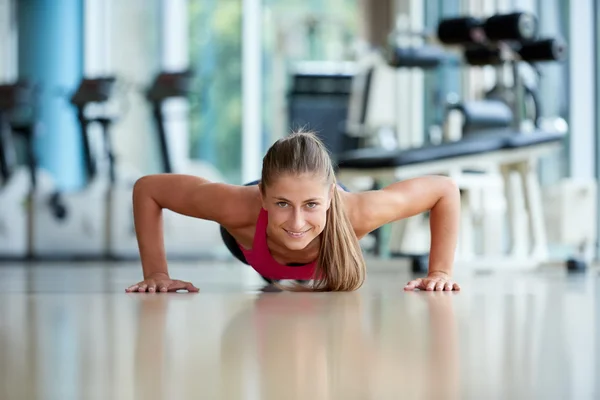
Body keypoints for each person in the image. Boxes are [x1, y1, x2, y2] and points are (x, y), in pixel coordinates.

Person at [125, 131, 461, 293]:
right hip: (248, 242)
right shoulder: (235, 205)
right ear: (263, 196)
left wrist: (441, 272)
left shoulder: (358, 211)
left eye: (311, 205)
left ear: (331, 197)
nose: (297, 222)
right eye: (283, 204)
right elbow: (148, 189)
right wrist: (157, 274)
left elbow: (444, 190)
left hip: (315, 233)